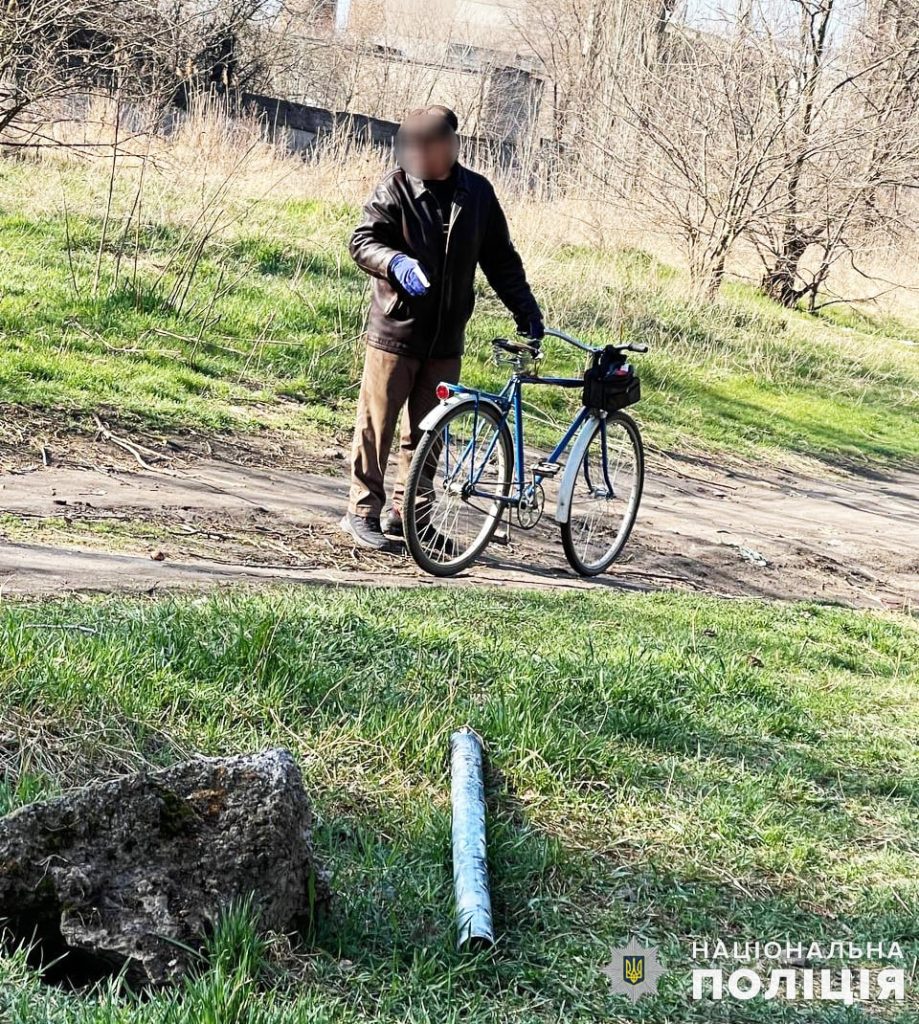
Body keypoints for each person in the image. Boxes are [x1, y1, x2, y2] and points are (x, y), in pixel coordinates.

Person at [341, 104, 544, 551]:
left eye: (429, 149)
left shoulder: (478, 194)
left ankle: (409, 517)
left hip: (446, 339)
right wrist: (393, 261)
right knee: (378, 424)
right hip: (396, 332)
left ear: (453, 145)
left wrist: (526, 311)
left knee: (429, 433)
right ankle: (362, 512)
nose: (419, 158)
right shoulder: (394, 189)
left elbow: (501, 261)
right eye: (412, 149)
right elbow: (362, 241)